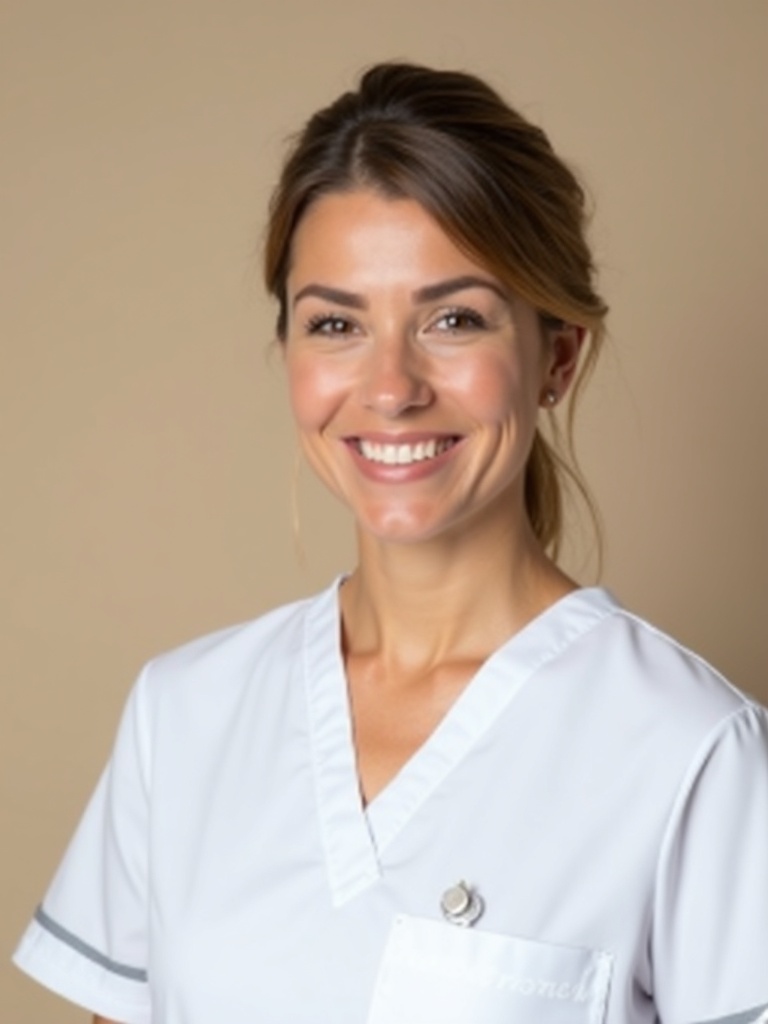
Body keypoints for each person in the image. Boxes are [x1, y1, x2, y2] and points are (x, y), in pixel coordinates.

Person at [13, 62, 768, 1024]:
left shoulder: (691, 752)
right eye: (336, 323)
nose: (390, 385)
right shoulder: (185, 717)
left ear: (556, 357)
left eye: (453, 319)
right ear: (289, 350)